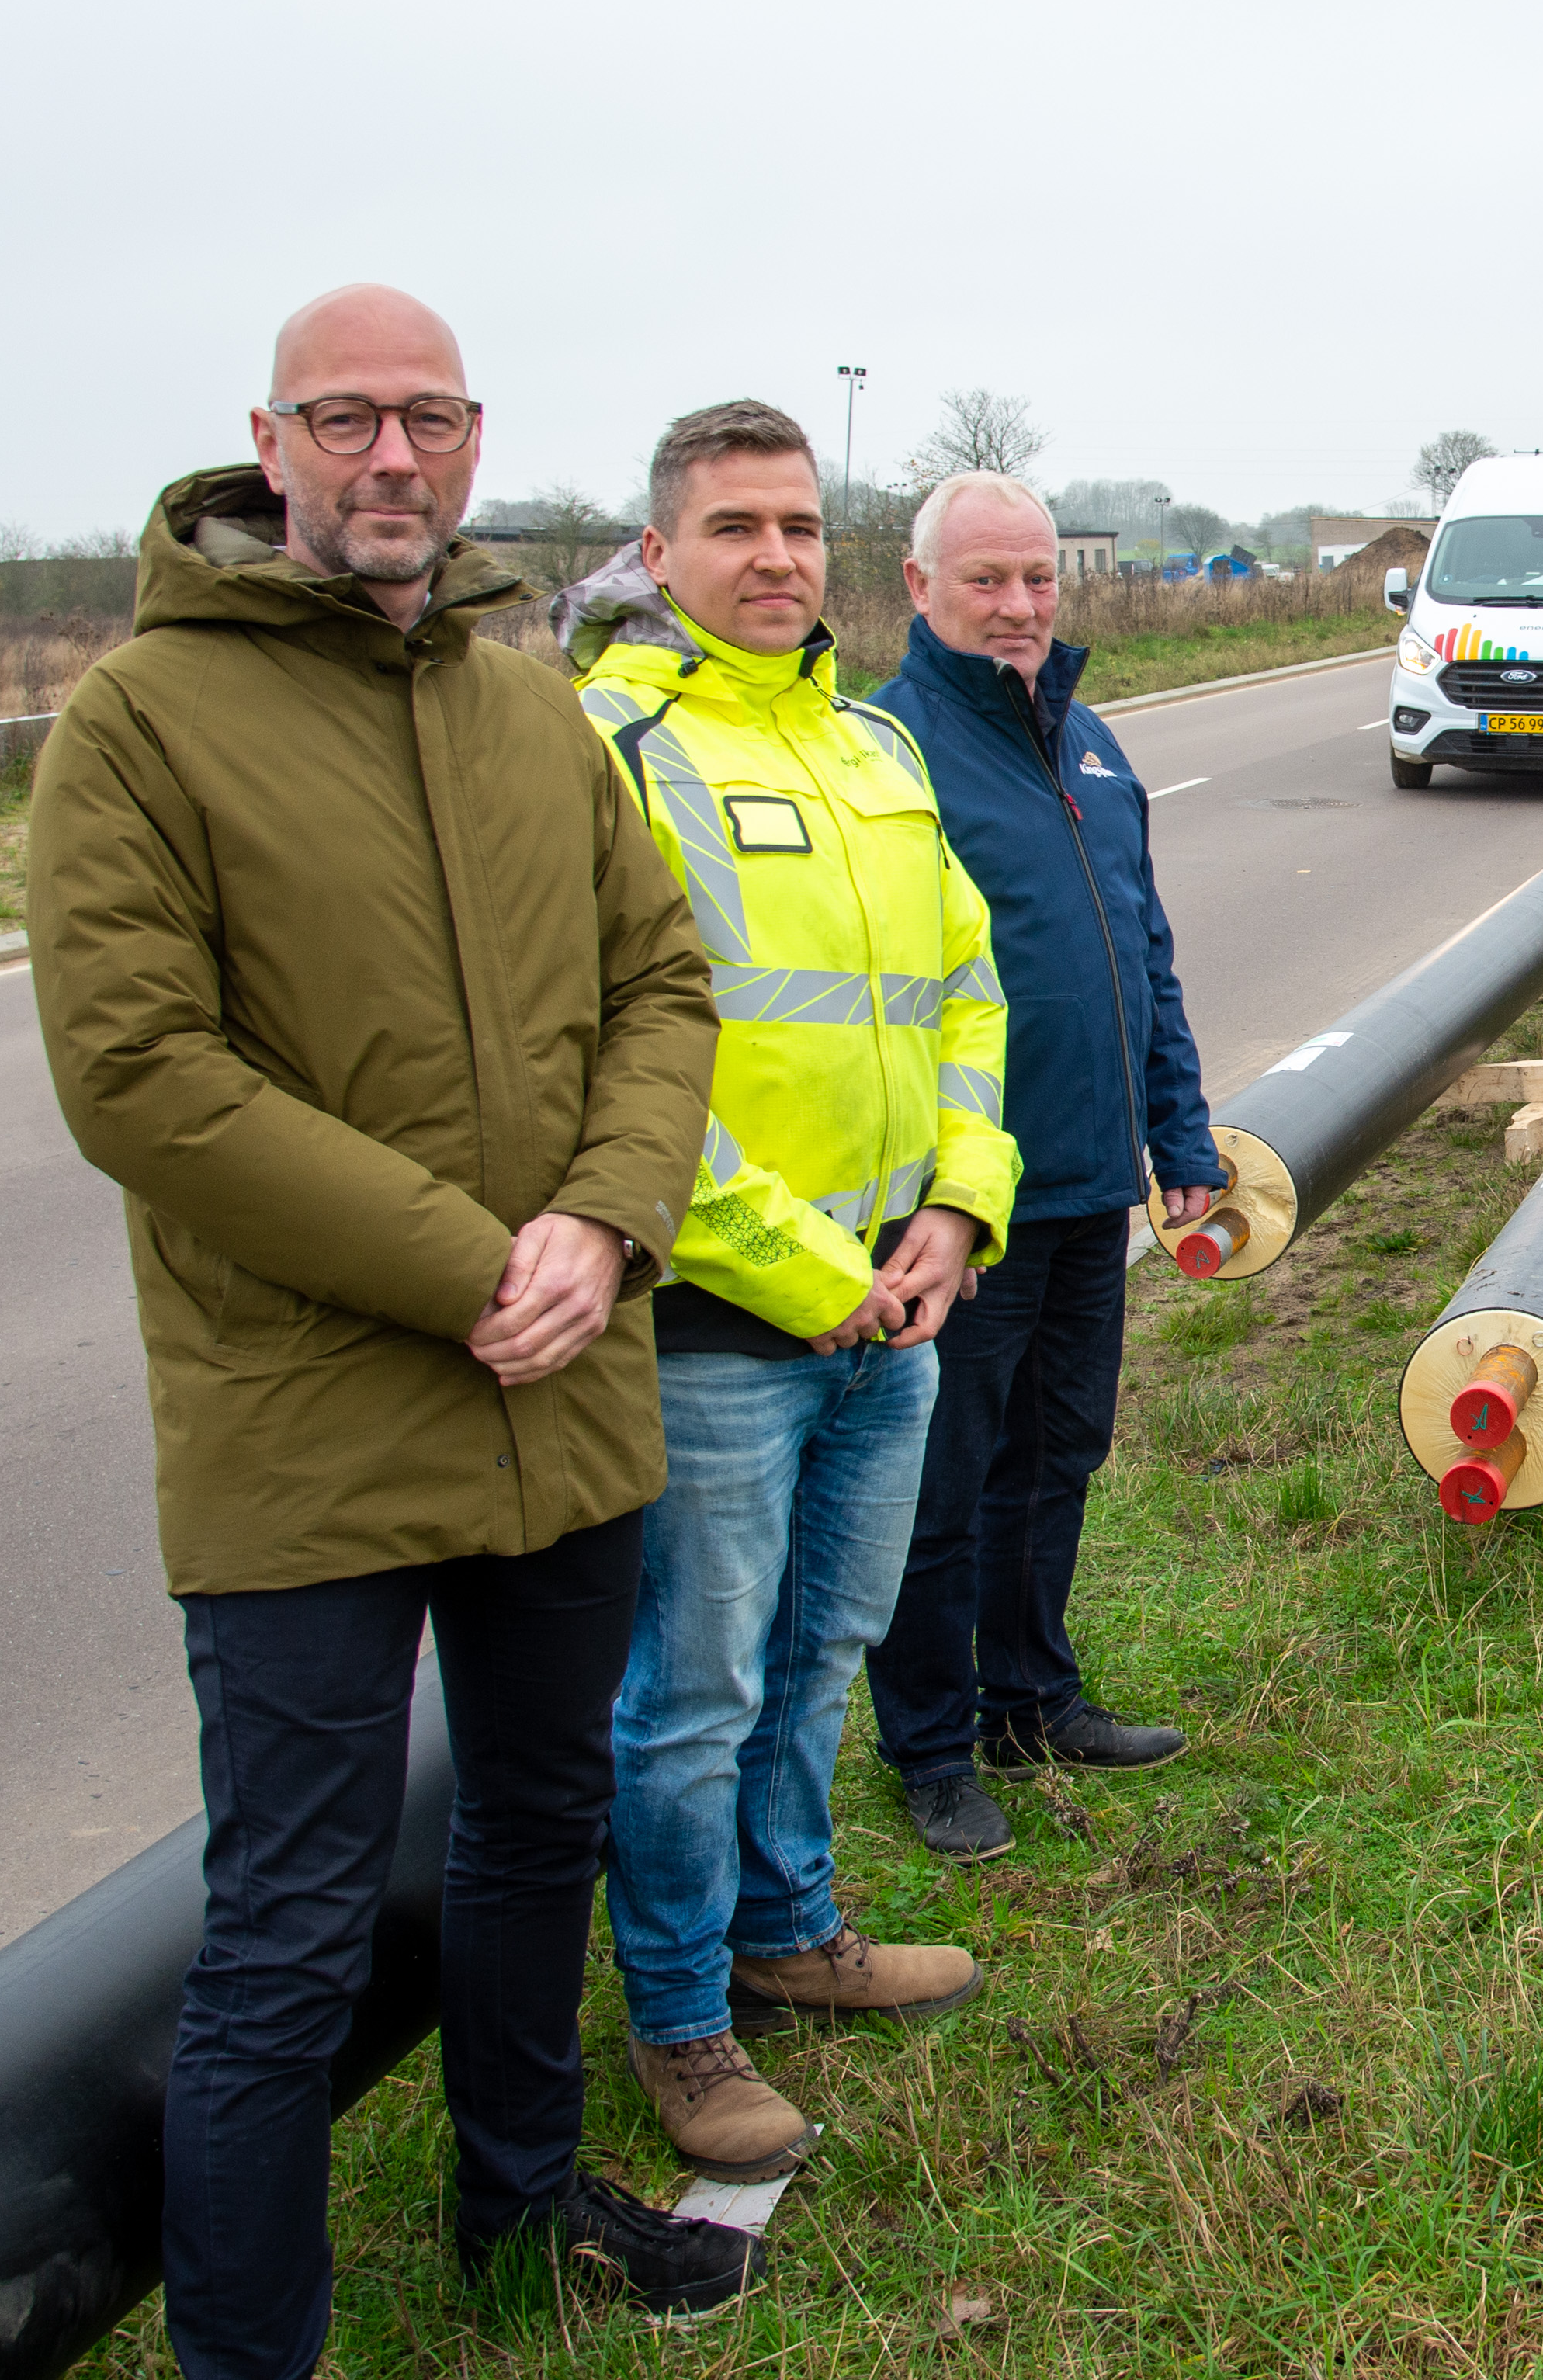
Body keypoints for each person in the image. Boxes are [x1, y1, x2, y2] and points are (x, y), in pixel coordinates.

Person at [26, 284, 745, 2375]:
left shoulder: (535, 709)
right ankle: (256, 2349)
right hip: (311, 1425)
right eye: (345, 419)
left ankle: (521, 2211)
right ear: (271, 442)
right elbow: (140, 1078)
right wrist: (473, 1261)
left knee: (541, 1829)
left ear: (474, 432)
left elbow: (661, 986)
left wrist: (608, 1220)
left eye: (427, 415)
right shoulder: (141, 722)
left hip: (566, 1396)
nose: (392, 457)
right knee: (291, 1935)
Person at [560, 402, 1021, 2178]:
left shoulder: (872, 749)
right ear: (660, 552)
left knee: (819, 1650)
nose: (775, 557)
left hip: (889, 1311)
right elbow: (603, 1055)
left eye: (799, 525)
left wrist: (959, 1214)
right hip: (715, 1326)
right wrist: (806, 1267)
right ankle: (680, 2020)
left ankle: (791, 1924)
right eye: (735, 525)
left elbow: (967, 997)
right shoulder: (613, 745)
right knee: (689, 1690)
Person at [862, 473, 1223, 1862]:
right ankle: (933, 1744)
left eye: (1037, 581)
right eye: (987, 581)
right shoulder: (890, 752)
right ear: (920, 588)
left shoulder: (1090, 743)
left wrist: (1178, 1131)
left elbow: (1146, 950)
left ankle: (1031, 1696)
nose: (1017, 606)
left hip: (1089, 1187)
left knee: (1058, 1453)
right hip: (960, 1206)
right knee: (945, 1478)